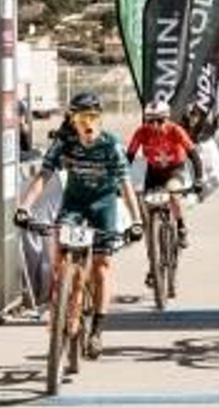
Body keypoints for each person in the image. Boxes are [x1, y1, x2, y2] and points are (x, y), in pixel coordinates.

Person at [15, 91, 142, 359]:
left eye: (94, 117)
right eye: (82, 118)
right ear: (73, 121)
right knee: (59, 251)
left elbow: (126, 186)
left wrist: (137, 221)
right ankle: (61, 300)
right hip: (74, 203)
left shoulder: (112, 146)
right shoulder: (65, 143)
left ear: (100, 119)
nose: (89, 124)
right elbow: (43, 176)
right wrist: (24, 208)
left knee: (102, 266)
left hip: (103, 205)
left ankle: (96, 330)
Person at [126, 98, 205, 258]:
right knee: (147, 212)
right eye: (151, 121)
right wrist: (119, 180)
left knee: (173, 194)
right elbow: (129, 157)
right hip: (154, 171)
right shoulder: (141, 132)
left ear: (167, 119)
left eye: (160, 120)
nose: (155, 125)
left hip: (174, 169)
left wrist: (199, 179)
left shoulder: (175, 130)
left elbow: (193, 155)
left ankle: (181, 226)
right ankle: (153, 261)